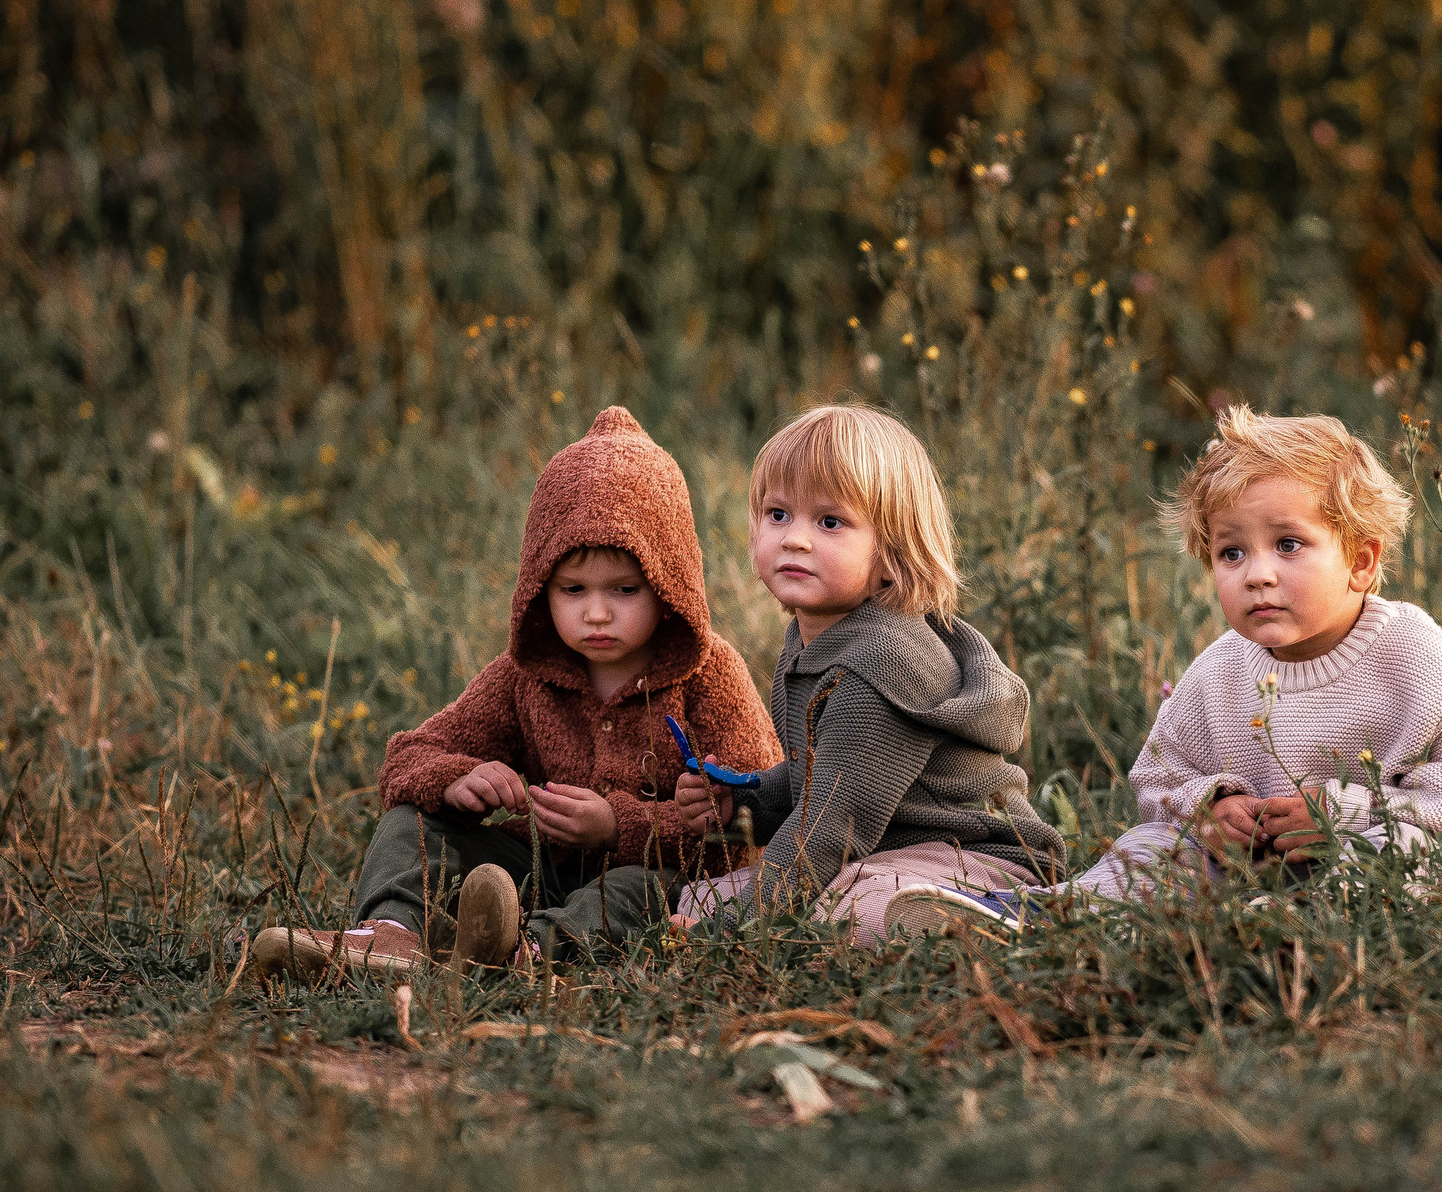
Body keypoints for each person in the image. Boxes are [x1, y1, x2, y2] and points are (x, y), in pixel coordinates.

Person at [249, 406, 778, 981]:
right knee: (411, 826)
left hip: (658, 872)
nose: (596, 612)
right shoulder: (525, 675)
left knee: (634, 895)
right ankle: (391, 939)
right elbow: (407, 759)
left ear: (670, 586)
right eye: (572, 589)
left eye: (625, 589)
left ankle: (520, 953)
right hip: (537, 867)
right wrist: (456, 779)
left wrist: (619, 827)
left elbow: (753, 821)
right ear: (539, 587)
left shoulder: (708, 674)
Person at [1054, 404, 1442, 905]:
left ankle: (1302, 923)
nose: (1257, 575)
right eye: (1231, 553)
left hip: (1370, 861)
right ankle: (1053, 912)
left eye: (1289, 544)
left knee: (1405, 849)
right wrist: (1210, 808)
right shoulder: (1220, 670)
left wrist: (1347, 813)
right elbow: (1158, 776)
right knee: (1149, 847)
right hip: (1249, 870)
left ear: (1360, 563)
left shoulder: (1416, 659)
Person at [669, 404, 1064, 942]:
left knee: (852, 904)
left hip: (975, 854)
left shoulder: (881, 661)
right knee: (702, 895)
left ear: (891, 553)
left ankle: (1008, 914)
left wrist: (733, 928)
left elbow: (832, 824)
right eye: (777, 514)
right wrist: (745, 800)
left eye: (830, 522)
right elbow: (822, 774)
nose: (795, 539)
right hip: (889, 852)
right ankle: (923, 919)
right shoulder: (813, 637)